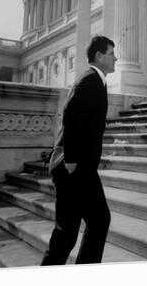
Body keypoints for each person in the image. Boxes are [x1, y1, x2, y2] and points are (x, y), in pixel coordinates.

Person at [41, 36, 117, 266]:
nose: (116, 58)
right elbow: (70, 114)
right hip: (74, 167)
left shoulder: (95, 80)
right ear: (99, 56)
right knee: (97, 221)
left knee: (67, 233)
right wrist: (73, 160)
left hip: (76, 167)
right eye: (112, 53)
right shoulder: (90, 81)